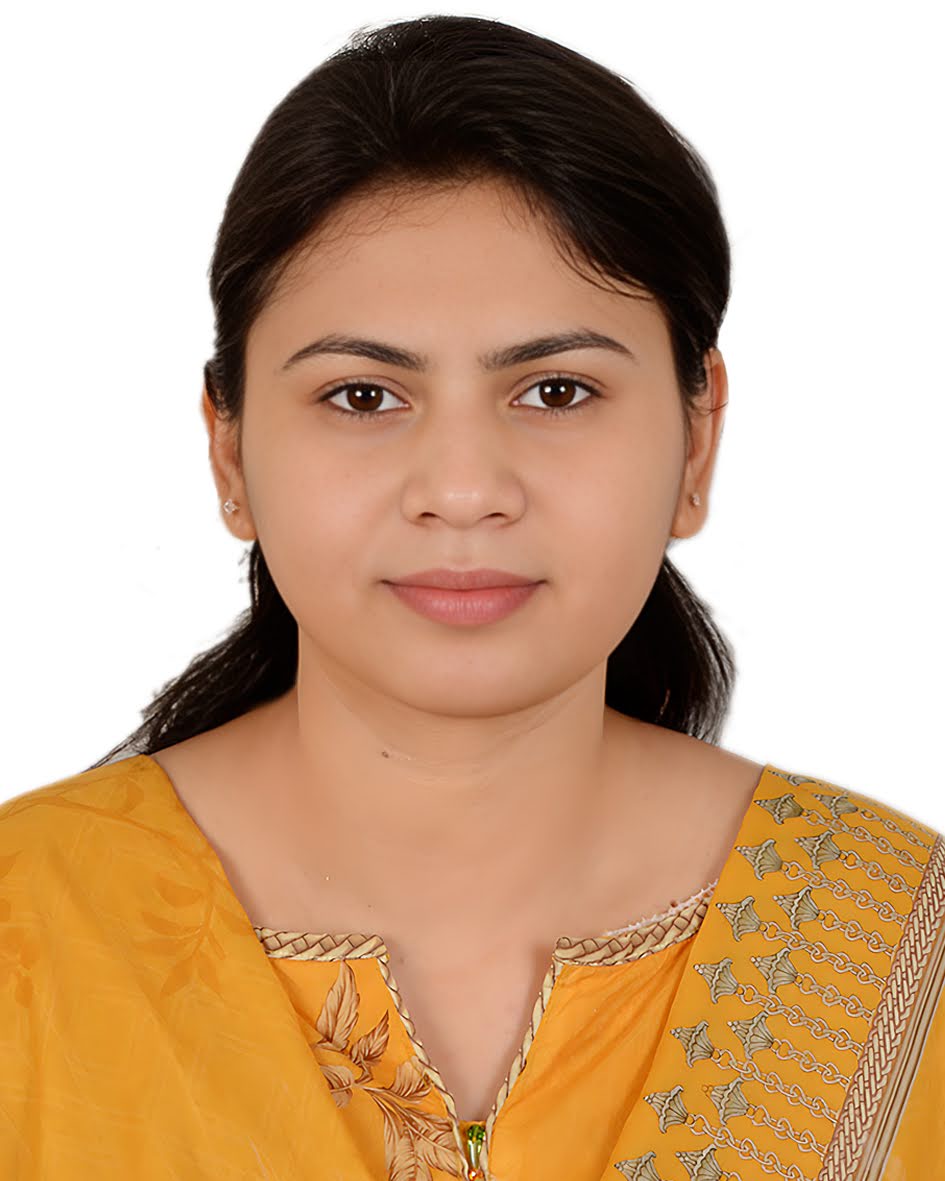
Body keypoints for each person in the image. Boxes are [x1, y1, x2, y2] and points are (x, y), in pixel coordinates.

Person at [1, 14, 941, 1181]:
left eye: (556, 391)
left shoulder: (907, 946)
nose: (461, 490)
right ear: (229, 451)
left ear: (697, 439)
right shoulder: (26, 934)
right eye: (361, 396)